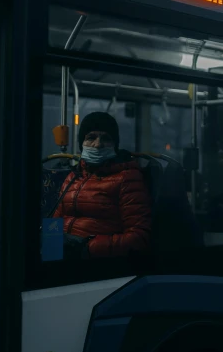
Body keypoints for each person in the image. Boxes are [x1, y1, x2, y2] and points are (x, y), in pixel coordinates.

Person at [53, 111, 151, 259]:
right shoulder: (73, 177)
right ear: (82, 144)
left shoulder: (127, 177)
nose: (98, 144)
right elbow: (55, 222)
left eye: (106, 139)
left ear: (115, 145)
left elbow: (139, 237)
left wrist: (87, 248)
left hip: (96, 261)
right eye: (91, 137)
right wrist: (49, 250)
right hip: (62, 256)